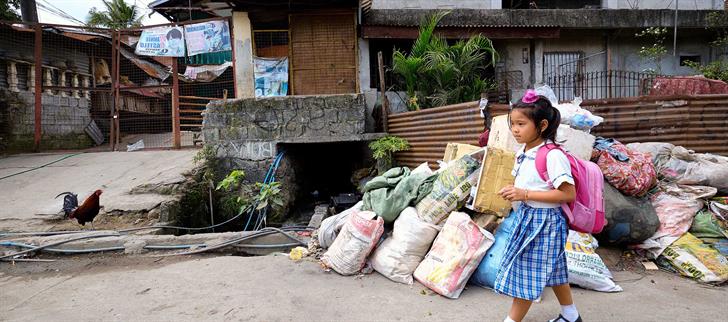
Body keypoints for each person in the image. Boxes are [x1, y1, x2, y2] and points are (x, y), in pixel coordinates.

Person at [496, 89, 581, 322]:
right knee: (554, 270)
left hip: (546, 223)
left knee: (527, 273)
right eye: (512, 123)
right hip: (528, 218)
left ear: (542, 125)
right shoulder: (523, 152)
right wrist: (515, 193)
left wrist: (524, 193)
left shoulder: (553, 156)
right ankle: (571, 316)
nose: (515, 129)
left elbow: (568, 193)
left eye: (521, 124)